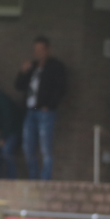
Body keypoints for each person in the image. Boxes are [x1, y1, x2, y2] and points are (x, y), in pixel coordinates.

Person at [15, 36, 67, 180]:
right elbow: (19, 86)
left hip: (45, 112)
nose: (37, 53)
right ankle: (33, 178)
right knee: (27, 147)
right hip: (30, 111)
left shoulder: (56, 66)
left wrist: (49, 105)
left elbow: (61, 88)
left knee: (45, 147)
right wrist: (23, 72)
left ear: (47, 50)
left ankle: (45, 179)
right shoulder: (32, 67)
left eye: (41, 49)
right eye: (35, 50)